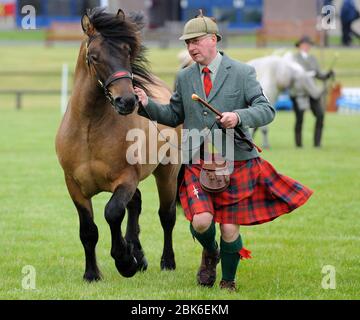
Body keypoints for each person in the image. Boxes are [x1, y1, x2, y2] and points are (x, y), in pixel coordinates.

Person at [134, 11, 313, 291]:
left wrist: (238, 117)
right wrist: (147, 104)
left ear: (214, 39)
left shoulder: (242, 73)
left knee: (230, 229)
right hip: (197, 161)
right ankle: (210, 252)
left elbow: (266, 110)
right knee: (203, 222)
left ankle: (228, 282)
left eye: (196, 41)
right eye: (187, 43)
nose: (191, 48)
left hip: (236, 162)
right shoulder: (184, 77)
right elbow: (173, 115)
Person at [291, 36, 334, 148]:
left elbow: (319, 74)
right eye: (304, 44)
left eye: (308, 45)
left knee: (320, 115)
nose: (306, 46)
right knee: (299, 118)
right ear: (299, 46)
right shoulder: (293, 59)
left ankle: (317, 143)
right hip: (299, 92)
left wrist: (327, 75)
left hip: (312, 92)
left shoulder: (313, 59)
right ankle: (299, 144)